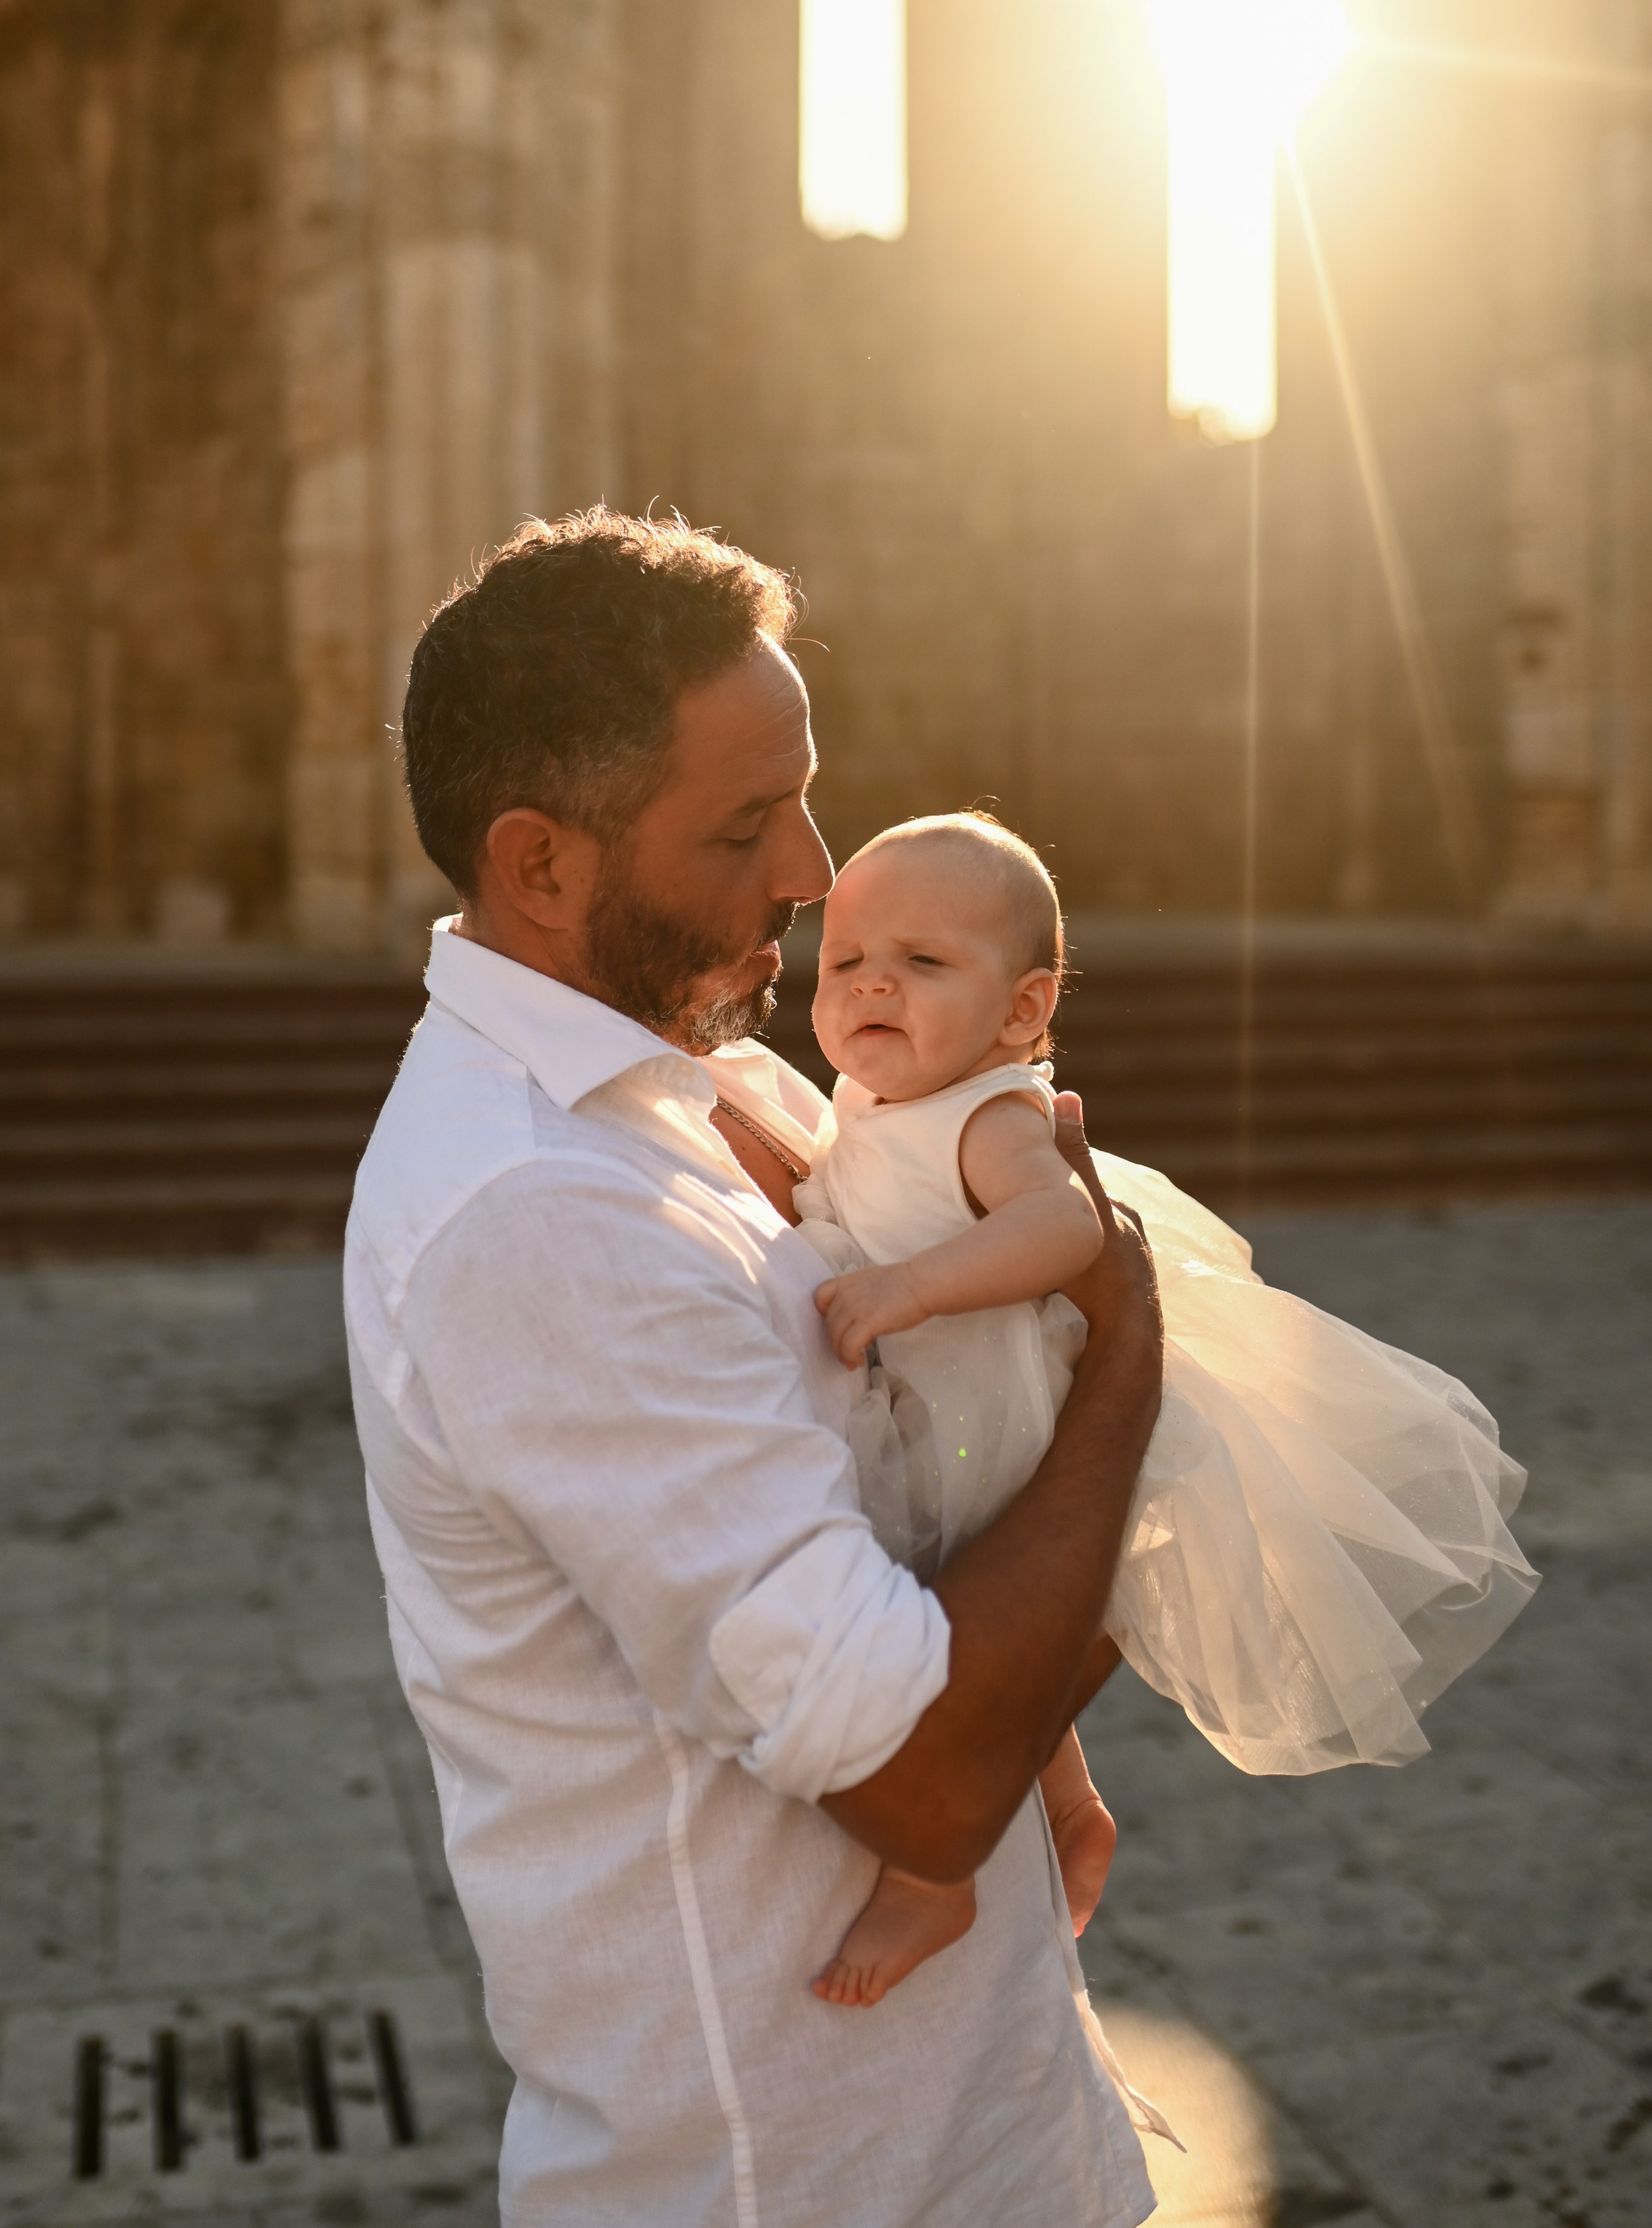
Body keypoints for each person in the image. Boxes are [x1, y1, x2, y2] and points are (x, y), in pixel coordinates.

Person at [344, 511, 1165, 2228]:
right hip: (791, 2171)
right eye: (744, 824)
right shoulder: (537, 1214)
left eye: (805, 790)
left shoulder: (730, 1097)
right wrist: (1132, 1362)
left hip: (980, 2130)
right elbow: (924, 1766)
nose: (814, 866)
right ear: (541, 866)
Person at [794, 812, 1539, 2013]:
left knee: (950, 1639)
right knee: (988, 1649)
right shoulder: (874, 1097)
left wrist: (909, 1286)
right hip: (947, 1412)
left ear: (1024, 1012)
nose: (872, 981)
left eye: (924, 963)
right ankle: (1074, 1811)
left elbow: (1064, 1229)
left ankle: (936, 1874)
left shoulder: (990, 1117)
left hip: (1000, 1420)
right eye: (843, 963)